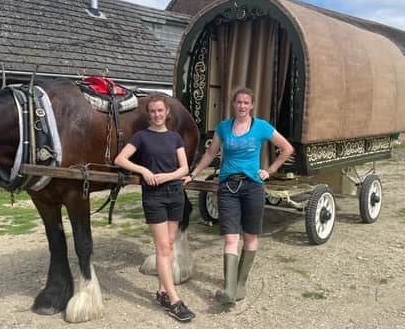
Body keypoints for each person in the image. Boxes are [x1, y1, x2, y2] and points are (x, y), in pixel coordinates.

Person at [183, 88, 294, 305]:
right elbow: (210, 153)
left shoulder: (261, 126)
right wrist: (192, 174)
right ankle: (229, 288)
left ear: (251, 105)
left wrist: (269, 171)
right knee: (230, 237)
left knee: (251, 236)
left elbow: (286, 148)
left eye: (246, 103)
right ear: (233, 105)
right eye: (238, 102)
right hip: (228, 187)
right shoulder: (223, 127)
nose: (242, 106)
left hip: (252, 186)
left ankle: (240, 286)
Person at [114, 95, 196, 323]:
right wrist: (143, 171)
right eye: (152, 111)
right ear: (148, 114)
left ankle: (162, 291)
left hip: (175, 195)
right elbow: (120, 159)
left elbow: (184, 168)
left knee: (168, 245)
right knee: (163, 248)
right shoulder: (141, 137)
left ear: (166, 112)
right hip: (154, 198)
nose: (156, 115)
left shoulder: (174, 138)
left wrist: (166, 176)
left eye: (160, 111)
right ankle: (175, 300)